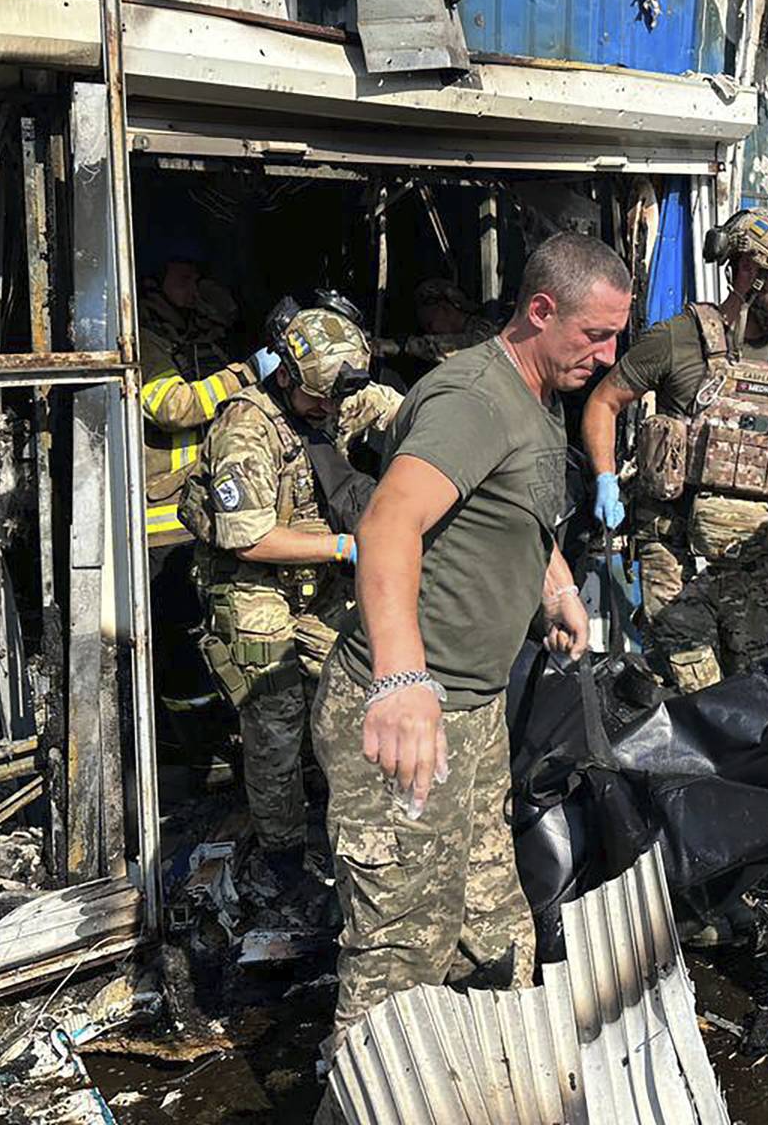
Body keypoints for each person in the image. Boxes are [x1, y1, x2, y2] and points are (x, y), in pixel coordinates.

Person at [311, 232, 632, 1046]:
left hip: (474, 713)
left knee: (493, 932)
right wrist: (400, 680)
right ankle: (364, 1091)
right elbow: (388, 525)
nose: (608, 356)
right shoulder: (474, 400)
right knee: (401, 960)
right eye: (596, 335)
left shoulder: (536, 396)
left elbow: (514, 507)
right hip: (408, 715)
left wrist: (556, 587)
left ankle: (496, 1080)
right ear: (541, 311)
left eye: (616, 337)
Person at [580, 208, 768, 693]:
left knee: (758, 697)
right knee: (689, 697)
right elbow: (603, 402)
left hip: (757, 569)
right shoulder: (677, 340)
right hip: (676, 558)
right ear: (747, 271)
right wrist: (605, 477)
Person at [181, 293, 402, 881]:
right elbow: (249, 539)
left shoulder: (338, 398)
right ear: (284, 375)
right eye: (318, 398)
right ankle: (282, 854)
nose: (329, 409)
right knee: (275, 721)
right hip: (254, 584)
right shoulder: (246, 429)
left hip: (318, 582)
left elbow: (404, 414)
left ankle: (360, 829)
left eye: (336, 399)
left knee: (357, 688)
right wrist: (345, 547)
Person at [138, 247, 267, 776]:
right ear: (154, 280)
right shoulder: (142, 338)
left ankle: (216, 740)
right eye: (185, 277)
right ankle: (194, 753)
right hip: (161, 523)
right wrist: (246, 372)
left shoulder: (194, 335)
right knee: (179, 642)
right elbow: (174, 407)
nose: (194, 288)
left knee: (212, 633)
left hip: (200, 516)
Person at [374, 276, 500, 367]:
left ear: (445, 309)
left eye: (430, 323)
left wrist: (400, 346)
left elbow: (457, 347)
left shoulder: (485, 330)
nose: (431, 332)